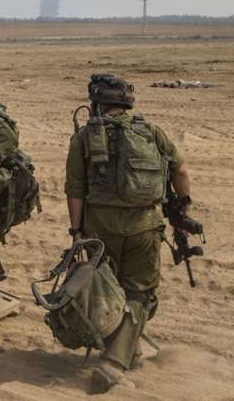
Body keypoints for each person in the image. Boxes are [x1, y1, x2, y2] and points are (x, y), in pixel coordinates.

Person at [65, 74, 192, 393]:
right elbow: (180, 171)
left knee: (108, 289)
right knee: (139, 292)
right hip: (144, 226)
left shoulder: (83, 137)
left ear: (97, 103)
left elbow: (75, 189)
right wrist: (181, 213)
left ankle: (115, 359)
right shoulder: (151, 131)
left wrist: (77, 231)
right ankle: (122, 355)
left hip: (100, 227)